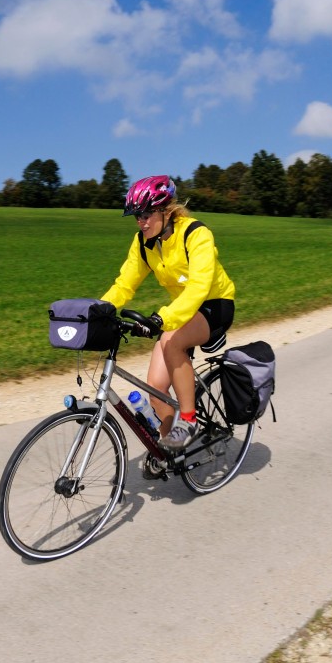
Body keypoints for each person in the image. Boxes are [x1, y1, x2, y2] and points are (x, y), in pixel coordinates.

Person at [99, 175, 236, 464]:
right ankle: (168, 452)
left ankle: (189, 420)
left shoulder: (195, 233)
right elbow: (124, 284)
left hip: (215, 304)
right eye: (137, 216)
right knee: (155, 388)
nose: (141, 222)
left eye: (146, 215)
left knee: (172, 342)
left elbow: (198, 288)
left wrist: (162, 319)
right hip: (181, 311)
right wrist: (98, 309)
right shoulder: (143, 243)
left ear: (166, 210)